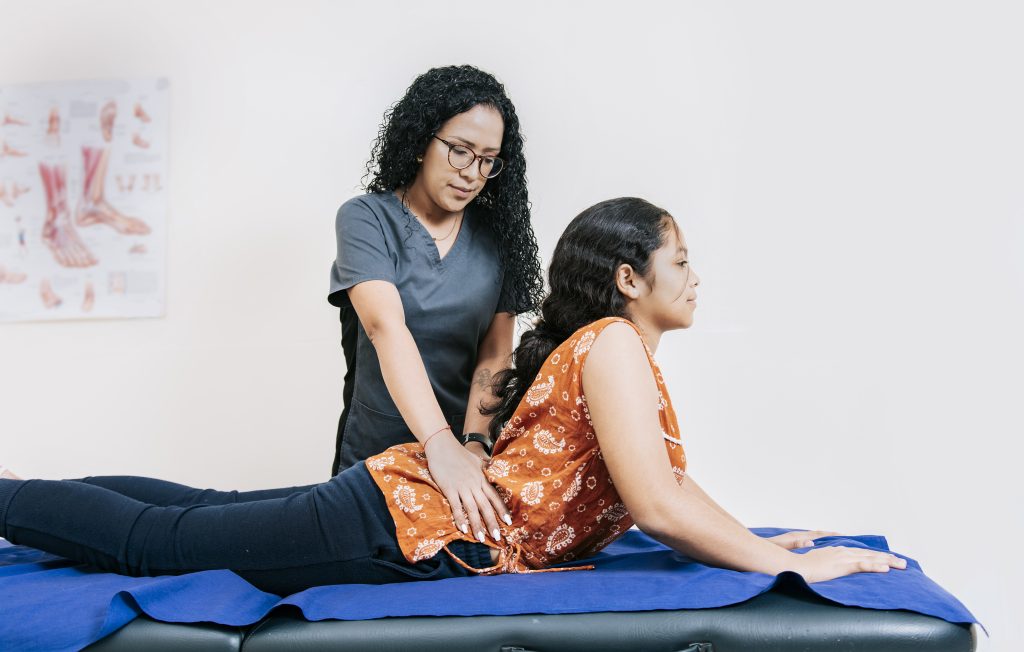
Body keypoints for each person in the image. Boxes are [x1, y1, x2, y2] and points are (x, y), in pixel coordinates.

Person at [0, 197, 906, 597]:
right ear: (631, 279)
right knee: (165, 544)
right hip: (409, 524)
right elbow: (658, 504)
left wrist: (753, 539)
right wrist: (786, 567)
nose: (697, 278)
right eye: (681, 262)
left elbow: (671, 484)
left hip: (408, 514)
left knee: (204, 512)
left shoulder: (615, 349)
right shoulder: (615, 347)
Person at [328, 65, 543, 546]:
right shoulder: (366, 219)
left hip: (464, 463)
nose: (472, 173)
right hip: (375, 455)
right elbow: (387, 327)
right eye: (460, 151)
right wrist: (437, 443)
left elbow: (494, 356)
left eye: (489, 159)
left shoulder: (497, 240)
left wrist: (473, 445)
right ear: (424, 140)